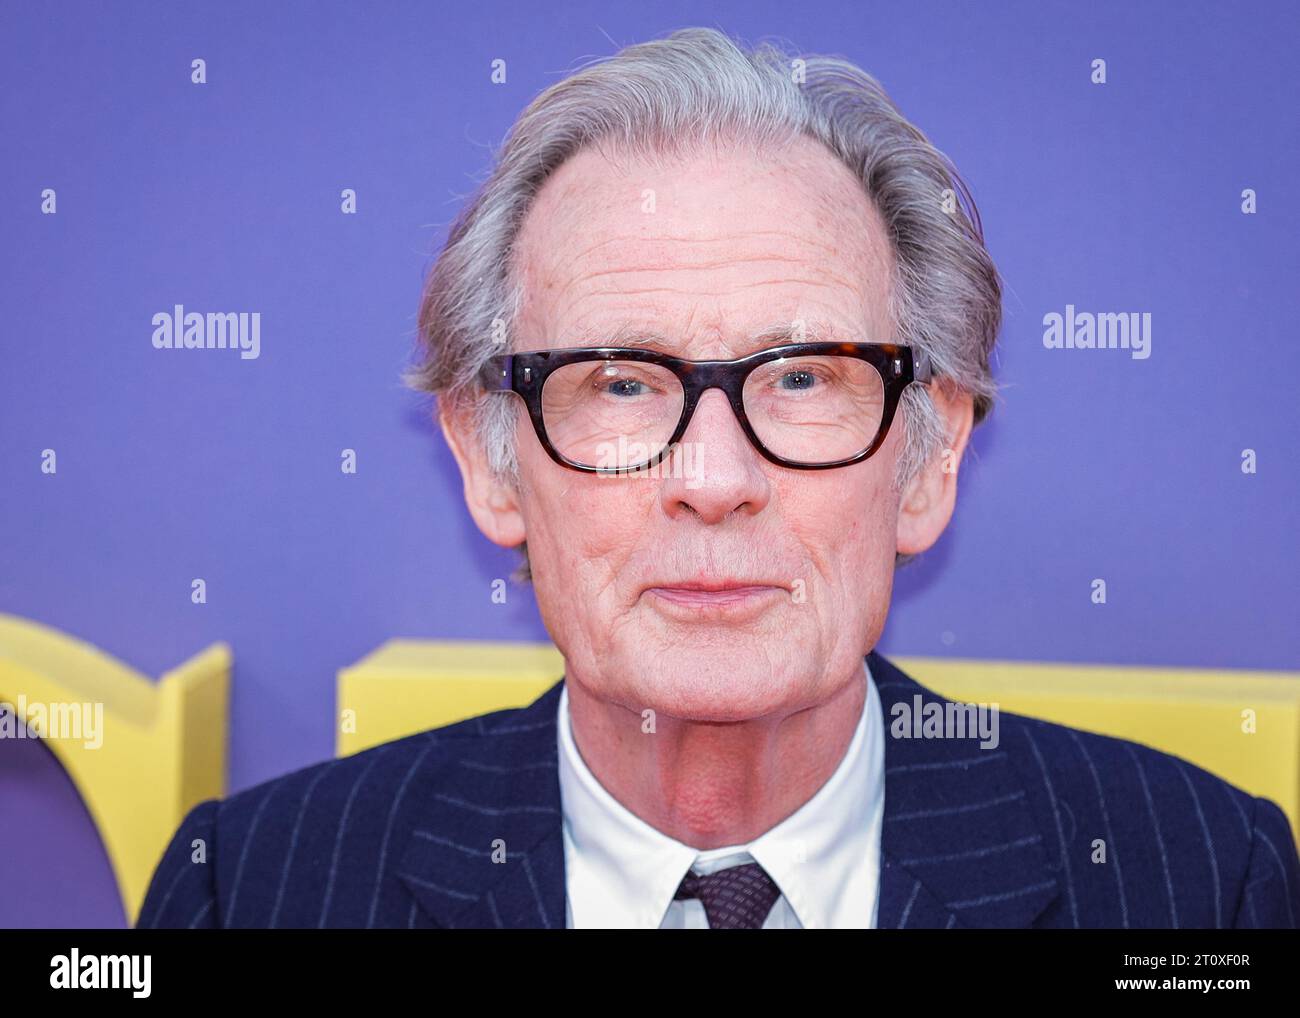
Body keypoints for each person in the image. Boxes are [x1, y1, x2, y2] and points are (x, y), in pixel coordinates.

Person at [137, 27, 1299, 929]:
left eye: (800, 378)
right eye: (620, 383)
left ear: (928, 460)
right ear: (489, 464)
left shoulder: (1196, 880)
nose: (712, 478)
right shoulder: (251, 892)